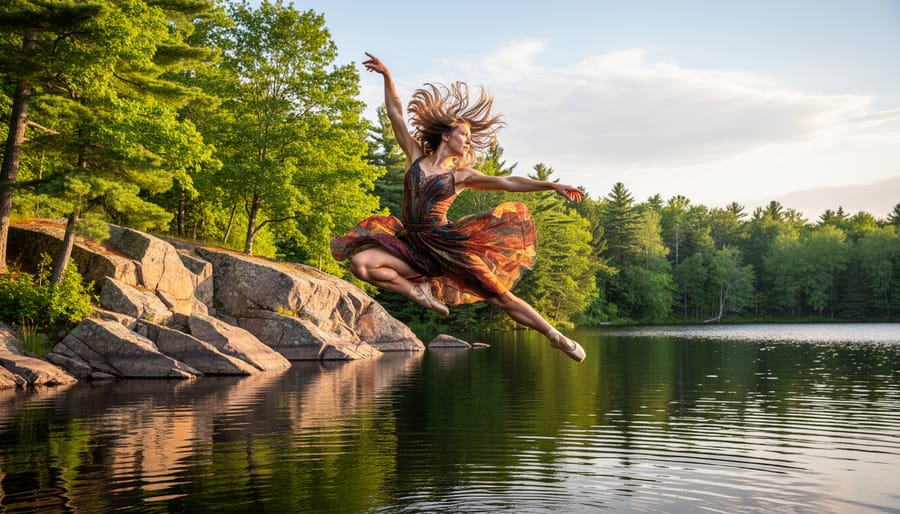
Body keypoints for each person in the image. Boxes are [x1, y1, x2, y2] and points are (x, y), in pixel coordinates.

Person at [331, 52, 586, 362]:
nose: (468, 141)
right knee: (361, 264)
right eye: (464, 134)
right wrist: (387, 75)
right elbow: (395, 113)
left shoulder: (460, 176)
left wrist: (550, 185)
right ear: (446, 135)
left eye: (469, 137)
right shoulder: (415, 157)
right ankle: (418, 293)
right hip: (411, 244)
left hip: (446, 246)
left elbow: (507, 181)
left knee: (501, 298)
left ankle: (554, 335)